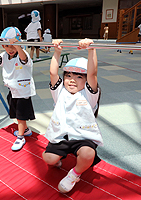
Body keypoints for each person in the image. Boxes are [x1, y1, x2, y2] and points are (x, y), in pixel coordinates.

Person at [42, 38, 103, 193]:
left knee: (88, 153)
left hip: (82, 136)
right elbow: (52, 72)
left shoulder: (89, 95)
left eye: (79, 77)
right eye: (68, 76)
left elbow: (93, 73)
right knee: (48, 159)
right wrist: (57, 51)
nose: (72, 80)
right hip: (62, 135)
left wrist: (91, 49)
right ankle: (58, 160)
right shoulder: (59, 91)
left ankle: (74, 174)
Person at [0, 27, 36, 151]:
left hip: (23, 91)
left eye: (13, 46)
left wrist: (18, 45)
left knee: (21, 116)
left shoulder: (22, 54)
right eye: (7, 46)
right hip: (12, 90)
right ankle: (25, 130)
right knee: (16, 113)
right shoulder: (4, 55)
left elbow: (24, 58)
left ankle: (21, 137)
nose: (10, 49)